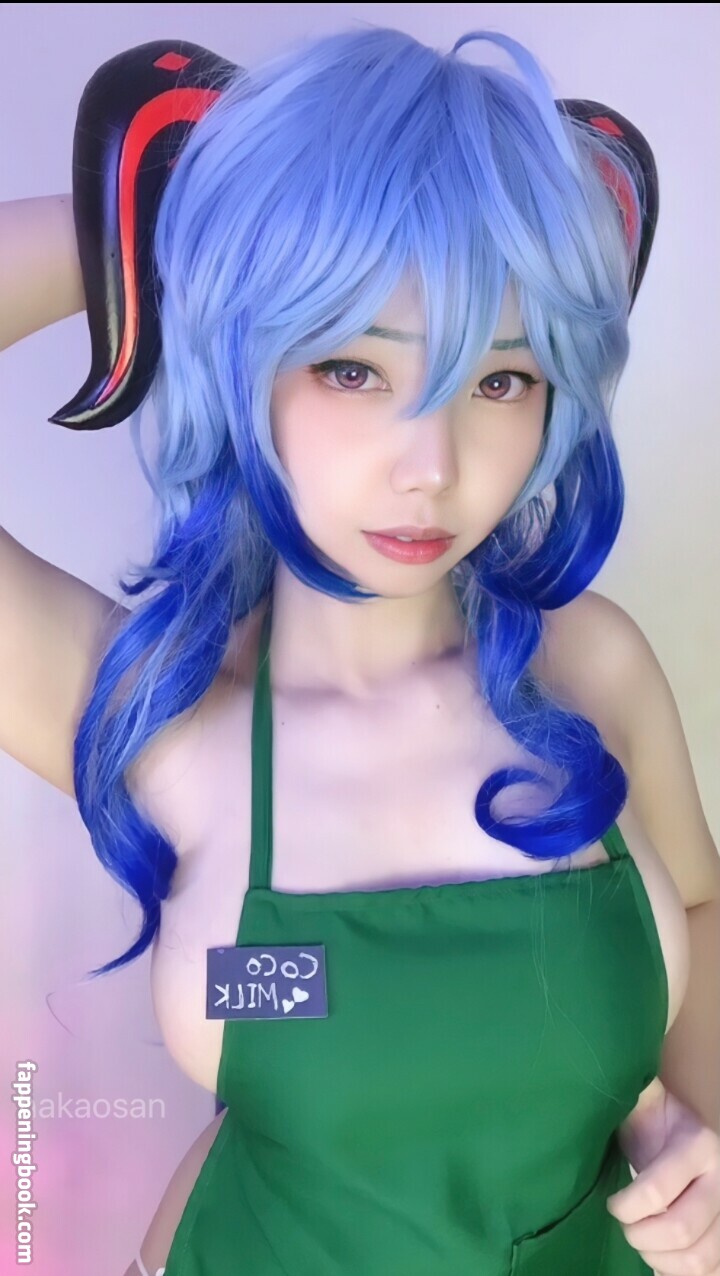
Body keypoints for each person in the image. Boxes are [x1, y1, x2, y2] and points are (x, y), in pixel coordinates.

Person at [2, 22, 718, 1276]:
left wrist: (704, 1134)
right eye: (351, 367)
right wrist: (174, 221)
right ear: (242, 355)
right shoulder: (158, 712)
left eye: (501, 380)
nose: (432, 467)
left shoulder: (589, 666)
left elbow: (699, 908)